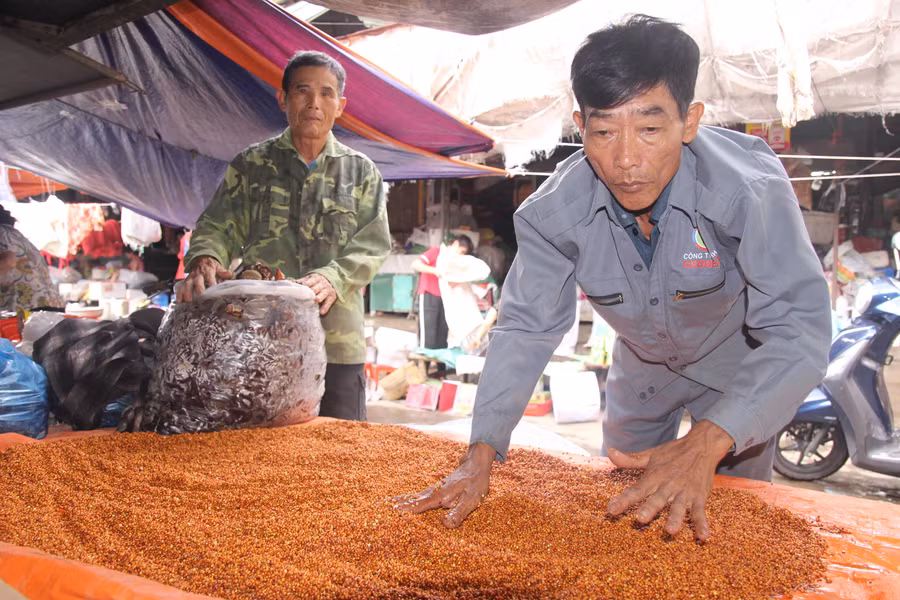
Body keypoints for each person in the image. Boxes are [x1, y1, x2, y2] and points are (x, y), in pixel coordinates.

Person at [396, 15, 831, 540]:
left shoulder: (749, 191)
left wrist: (710, 440)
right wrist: (481, 449)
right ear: (580, 127)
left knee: (729, 523)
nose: (626, 160)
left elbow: (799, 330)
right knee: (621, 513)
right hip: (642, 368)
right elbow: (526, 328)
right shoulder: (553, 213)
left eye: (649, 129)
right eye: (603, 132)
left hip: (738, 364)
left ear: (688, 122)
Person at [178, 50, 391, 421]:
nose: (314, 103)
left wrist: (333, 276)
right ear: (283, 98)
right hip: (261, 337)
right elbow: (219, 223)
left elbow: (372, 245)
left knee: (341, 455)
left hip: (337, 340)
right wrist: (206, 257)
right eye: (302, 91)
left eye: (326, 94)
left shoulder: (361, 172)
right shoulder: (252, 165)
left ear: (340, 106)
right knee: (262, 454)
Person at [0, 206, 65, 315]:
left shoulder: (2, 233)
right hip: (48, 304)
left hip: (28, 307)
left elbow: (9, 261)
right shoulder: (13, 234)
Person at [411, 235, 473, 349]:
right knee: (428, 334)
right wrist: (435, 271)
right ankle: (424, 365)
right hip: (429, 295)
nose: (462, 255)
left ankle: (440, 366)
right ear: (455, 244)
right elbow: (416, 265)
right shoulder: (436, 252)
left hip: (446, 298)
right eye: (462, 251)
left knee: (442, 335)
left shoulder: (456, 262)